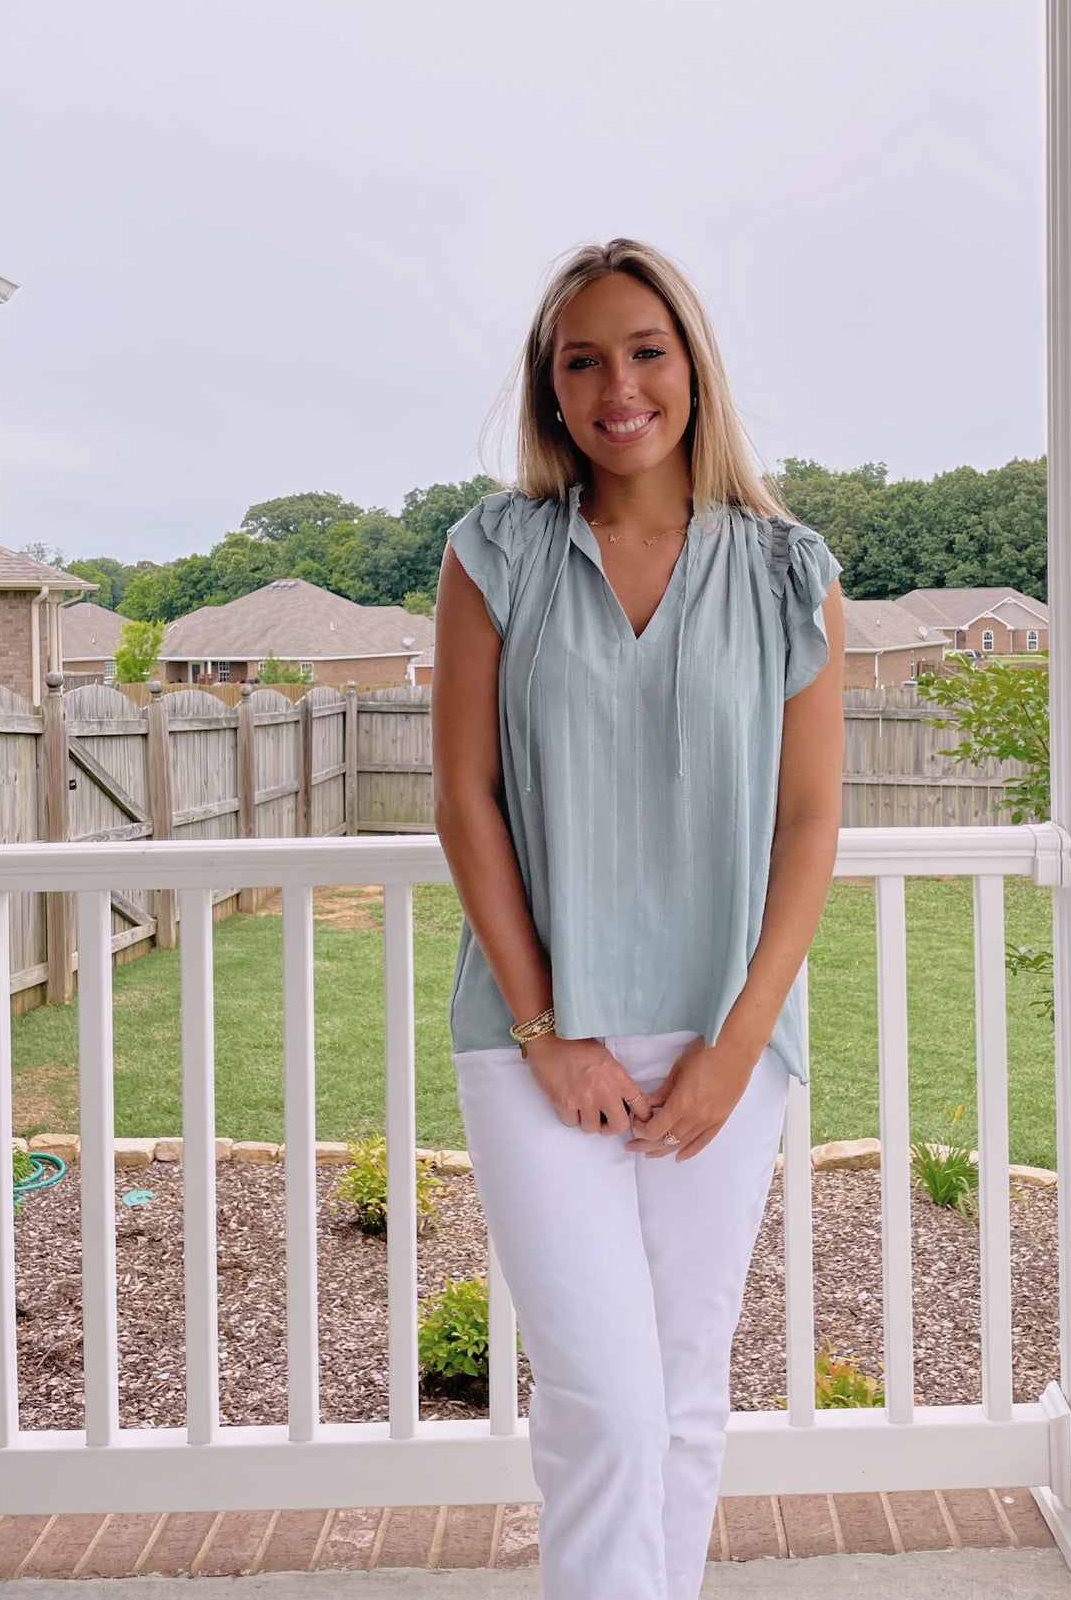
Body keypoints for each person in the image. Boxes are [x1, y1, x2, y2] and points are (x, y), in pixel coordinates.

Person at [431, 237, 844, 1599]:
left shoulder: (790, 573)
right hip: (539, 1041)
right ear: (551, 391)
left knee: (678, 1399)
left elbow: (806, 825)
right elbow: (467, 798)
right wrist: (549, 1024)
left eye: (645, 350)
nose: (619, 386)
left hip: (723, 1042)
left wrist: (736, 1044)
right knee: (602, 1405)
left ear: (692, 367)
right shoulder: (496, 555)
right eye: (582, 359)